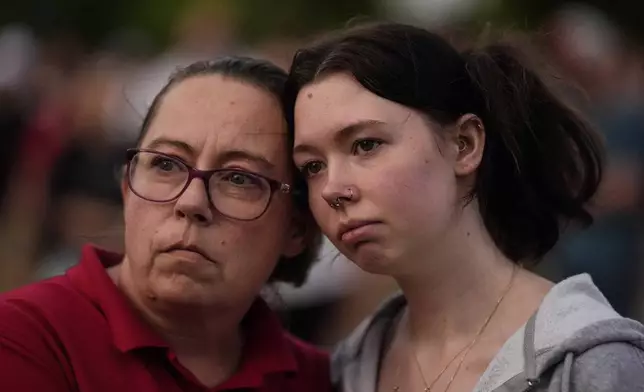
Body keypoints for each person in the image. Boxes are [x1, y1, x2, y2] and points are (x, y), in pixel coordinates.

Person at [285, 22, 644, 392]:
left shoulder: (593, 367)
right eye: (312, 166)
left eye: (365, 145)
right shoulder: (350, 367)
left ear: (464, 144)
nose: (331, 189)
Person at [0, 56, 331, 392]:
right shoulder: (24, 337)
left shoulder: (320, 379)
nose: (191, 203)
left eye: (238, 178)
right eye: (166, 164)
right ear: (127, 188)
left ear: (297, 228)